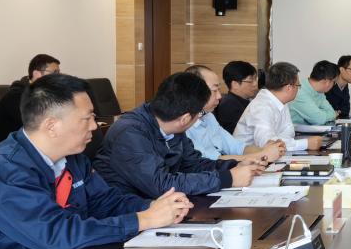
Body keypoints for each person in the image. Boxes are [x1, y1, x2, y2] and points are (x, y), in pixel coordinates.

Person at [0, 74, 192, 249]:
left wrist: (155, 207)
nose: (94, 126)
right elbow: (54, 236)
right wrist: (142, 220)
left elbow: (106, 202)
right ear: (52, 126)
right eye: (87, 118)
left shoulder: (72, 158)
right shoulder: (3, 171)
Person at [95, 72, 261, 198]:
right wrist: (227, 179)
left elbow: (193, 164)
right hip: (128, 212)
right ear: (185, 119)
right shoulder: (130, 133)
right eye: (199, 114)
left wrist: (234, 166)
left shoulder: (173, 124)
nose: (200, 117)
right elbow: (161, 185)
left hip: (160, 205)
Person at [183, 65, 285, 163]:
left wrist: (267, 150)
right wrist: (262, 155)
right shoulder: (184, 124)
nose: (219, 96)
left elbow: (238, 147)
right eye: (214, 90)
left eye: (219, 90)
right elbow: (210, 162)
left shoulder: (208, 116)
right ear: (195, 91)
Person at [234, 62, 316, 152]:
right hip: (246, 158)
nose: (298, 89)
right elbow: (268, 144)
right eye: (298, 86)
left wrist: (283, 142)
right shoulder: (262, 106)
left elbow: (289, 132)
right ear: (289, 88)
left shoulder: (281, 102)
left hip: (269, 156)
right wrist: (305, 144)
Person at [0, 54, 61, 142]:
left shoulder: (44, 94)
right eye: (54, 73)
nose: (58, 77)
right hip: (10, 147)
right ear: (37, 74)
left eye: (58, 73)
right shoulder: (15, 96)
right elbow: (36, 124)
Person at [214, 61, 259, 135]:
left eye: (255, 79)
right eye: (250, 81)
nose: (255, 84)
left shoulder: (244, 100)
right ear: (235, 84)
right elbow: (240, 135)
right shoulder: (229, 105)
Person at [288, 60, 338, 125]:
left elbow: (331, 111)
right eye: (334, 82)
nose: (334, 85)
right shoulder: (299, 91)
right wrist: (330, 114)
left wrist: (321, 114)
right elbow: (319, 119)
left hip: (311, 129)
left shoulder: (319, 91)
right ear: (328, 81)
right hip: (295, 130)